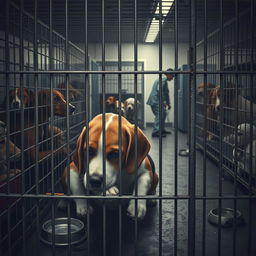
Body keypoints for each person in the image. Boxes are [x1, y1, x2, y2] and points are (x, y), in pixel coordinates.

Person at [146, 68, 174, 137]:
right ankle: (156, 131)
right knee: (160, 115)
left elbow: (166, 93)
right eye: (172, 76)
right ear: (168, 74)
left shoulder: (163, 80)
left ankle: (161, 130)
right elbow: (159, 91)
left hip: (157, 100)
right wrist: (164, 102)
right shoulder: (163, 80)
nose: (173, 78)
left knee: (163, 114)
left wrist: (168, 103)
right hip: (156, 101)